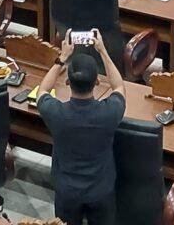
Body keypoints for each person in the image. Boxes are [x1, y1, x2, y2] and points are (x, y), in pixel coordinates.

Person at [37, 29, 125, 225]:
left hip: (67, 191)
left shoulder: (55, 113)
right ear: (97, 82)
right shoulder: (109, 112)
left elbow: (42, 90)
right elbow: (118, 86)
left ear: (67, 82)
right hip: (101, 189)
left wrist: (62, 57)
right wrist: (103, 51)